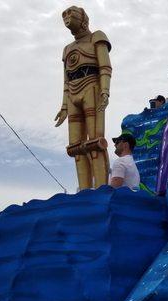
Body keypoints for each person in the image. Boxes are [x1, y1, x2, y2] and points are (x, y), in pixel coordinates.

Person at [54, 6, 112, 190]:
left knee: (95, 142)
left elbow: (105, 67)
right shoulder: (67, 49)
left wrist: (105, 90)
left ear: (83, 18)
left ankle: (102, 188)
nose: (67, 17)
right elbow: (65, 79)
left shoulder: (97, 37)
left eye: (71, 13)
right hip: (72, 92)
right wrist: (64, 106)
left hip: (91, 87)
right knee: (75, 147)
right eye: (65, 15)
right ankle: (84, 190)